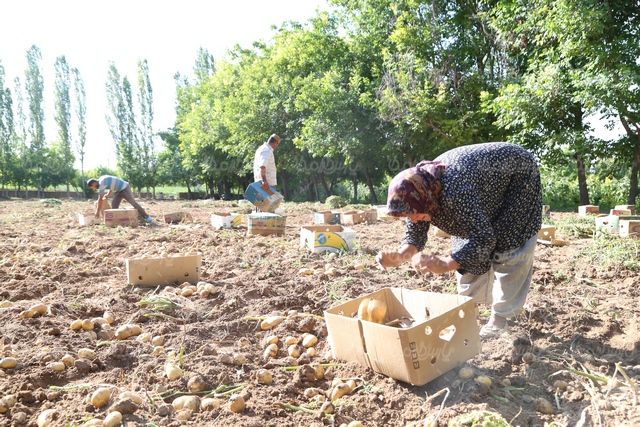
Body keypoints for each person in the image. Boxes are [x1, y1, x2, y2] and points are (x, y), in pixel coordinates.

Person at [376, 142, 542, 337]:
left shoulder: (454, 191)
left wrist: (447, 264)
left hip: (517, 175)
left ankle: (500, 320)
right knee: (466, 249)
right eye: (407, 215)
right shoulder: (420, 192)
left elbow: (484, 238)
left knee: (509, 247)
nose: (412, 219)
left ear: (425, 198)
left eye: (412, 214)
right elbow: (415, 234)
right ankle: (471, 312)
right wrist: (400, 256)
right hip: (482, 189)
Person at [86, 175, 153, 223]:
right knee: (114, 206)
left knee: (133, 203)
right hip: (118, 191)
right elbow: (112, 184)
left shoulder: (102, 183)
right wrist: (108, 194)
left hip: (124, 188)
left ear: (94, 183)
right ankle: (116, 221)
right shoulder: (101, 179)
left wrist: (97, 212)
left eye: (93, 187)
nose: (94, 189)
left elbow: (100, 199)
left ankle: (147, 217)